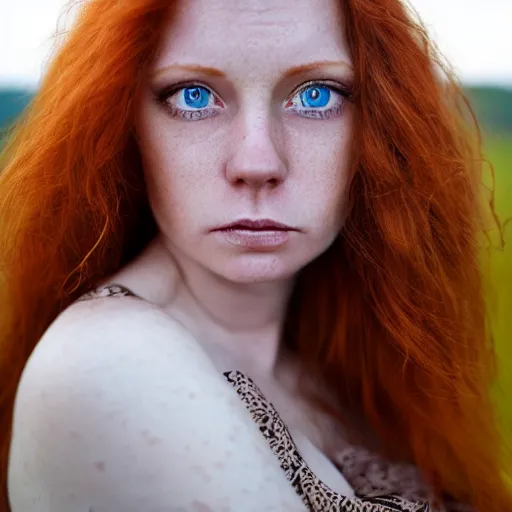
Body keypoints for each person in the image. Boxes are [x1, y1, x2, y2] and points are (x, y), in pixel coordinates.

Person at [0, 0, 510, 510]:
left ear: (380, 126)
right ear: (122, 123)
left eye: (315, 95)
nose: (258, 162)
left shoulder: (343, 356)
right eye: (193, 96)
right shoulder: (108, 360)